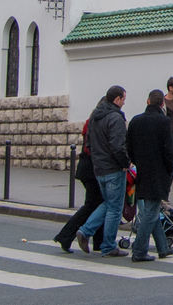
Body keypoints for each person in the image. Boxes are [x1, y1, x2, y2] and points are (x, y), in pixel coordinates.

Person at [76, 85, 130, 257]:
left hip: (98, 167)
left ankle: (85, 230)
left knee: (108, 203)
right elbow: (117, 146)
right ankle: (108, 245)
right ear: (117, 99)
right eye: (123, 99)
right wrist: (126, 162)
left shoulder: (95, 117)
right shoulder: (115, 118)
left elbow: (89, 143)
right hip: (113, 167)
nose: (124, 103)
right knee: (115, 207)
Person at [126, 89, 173, 262]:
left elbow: (129, 147)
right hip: (158, 170)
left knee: (151, 208)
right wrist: (169, 168)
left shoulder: (135, 121)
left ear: (148, 101)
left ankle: (162, 247)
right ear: (162, 104)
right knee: (151, 211)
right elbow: (170, 150)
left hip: (142, 169)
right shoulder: (164, 122)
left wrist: (137, 161)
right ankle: (139, 250)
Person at [54, 115, 105, 253]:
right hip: (92, 169)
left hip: (87, 167)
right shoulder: (99, 121)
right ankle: (65, 236)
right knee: (94, 205)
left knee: (98, 203)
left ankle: (98, 241)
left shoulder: (91, 121)